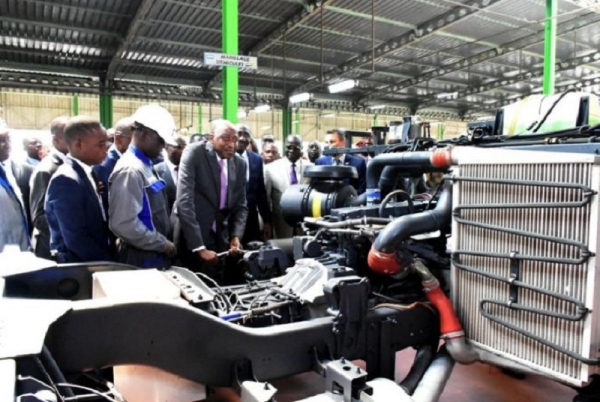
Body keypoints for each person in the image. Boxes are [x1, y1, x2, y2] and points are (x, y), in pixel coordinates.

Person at [176, 119, 248, 283]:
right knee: (192, 286)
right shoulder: (195, 153)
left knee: (215, 284)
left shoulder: (239, 164)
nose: (231, 144)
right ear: (211, 138)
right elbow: (184, 202)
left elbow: (241, 205)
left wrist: (236, 236)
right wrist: (199, 247)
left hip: (219, 235)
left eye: (234, 139)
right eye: (225, 138)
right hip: (192, 235)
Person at [108, 104, 177, 269]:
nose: (163, 146)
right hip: (141, 256)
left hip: (152, 252)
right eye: (160, 140)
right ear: (144, 134)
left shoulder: (145, 164)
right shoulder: (131, 169)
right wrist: (162, 244)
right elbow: (124, 223)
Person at [45, 117, 112, 263]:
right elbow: (76, 238)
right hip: (78, 267)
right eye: (101, 144)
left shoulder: (89, 172)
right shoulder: (66, 180)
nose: (107, 148)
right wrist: (108, 261)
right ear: (78, 145)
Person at [29, 116, 69, 258]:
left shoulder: (70, 164)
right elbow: (39, 218)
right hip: (50, 248)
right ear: (55, 140)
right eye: (68, 135)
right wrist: (71, 228)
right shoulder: (46, 170)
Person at [264, 134, 313, 239]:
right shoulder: (270, 169)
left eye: (296, 148)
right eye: (289, 147)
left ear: (301, 149)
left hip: (303, 224)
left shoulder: (310, 168)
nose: (292, 150)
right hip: (280, 224)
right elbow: (266, 200)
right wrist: (266, 222)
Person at [236, 124, 272, 245]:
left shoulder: (256, 159)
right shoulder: (226, 157)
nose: (242, 138)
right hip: (230, 220)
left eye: (246, 135)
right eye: (239, 134)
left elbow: (261, 192)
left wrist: (267, 220)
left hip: (251, 219)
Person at [0, 128, 31, 252]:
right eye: (2, 141)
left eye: (9, 140)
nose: (7, 145)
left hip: (17, 250)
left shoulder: (8, 173)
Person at [316, 128, 366, 194]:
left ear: (343, 142)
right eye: (326, 142)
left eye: (332, 142)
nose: (329, 146)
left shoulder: (358, 163)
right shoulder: (320, 163)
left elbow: (362, 191)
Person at [155, 135, 187, 215]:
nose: (182, 151)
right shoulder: (156, 171)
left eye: (184, 147)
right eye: (178, 147)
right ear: (166, 148)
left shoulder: (190, 171)